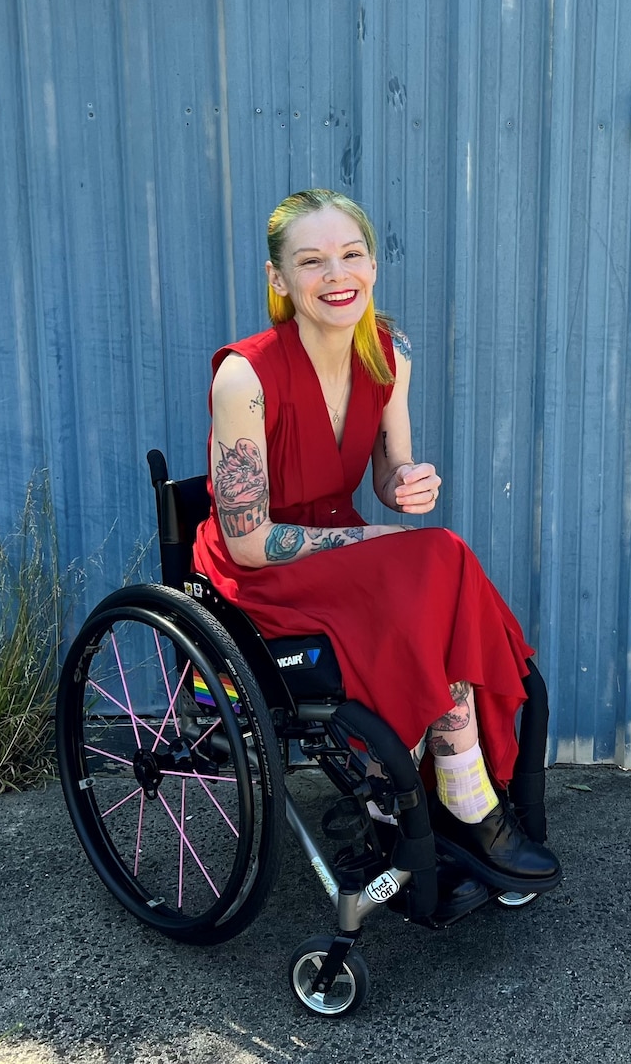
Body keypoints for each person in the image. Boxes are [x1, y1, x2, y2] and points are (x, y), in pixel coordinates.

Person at [193, 188, 558, 884]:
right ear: (280, 280)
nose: (336, 275)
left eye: (350, 254)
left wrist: (407, 482)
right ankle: (464, 797)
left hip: (339, 541)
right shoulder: (245, 376)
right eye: (312, 260)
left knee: (434, 566)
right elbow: (245, 542)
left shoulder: (387, 355)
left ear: (372, 264)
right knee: (438, 558)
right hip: (258, 573)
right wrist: (375, 537)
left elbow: (390, 472)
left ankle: (444, 792)